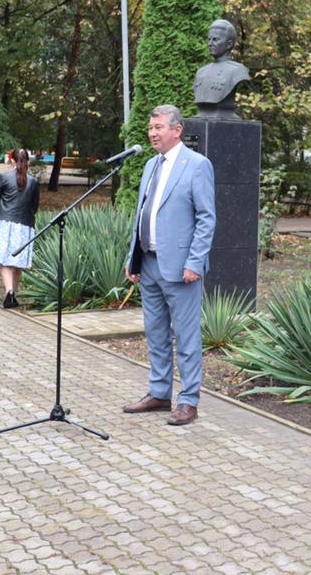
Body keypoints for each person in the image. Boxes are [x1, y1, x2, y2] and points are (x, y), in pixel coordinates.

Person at [123, 104, 216, 426]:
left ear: (177, 130)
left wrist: (195, 261)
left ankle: (188, 400)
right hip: (148, 264)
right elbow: (141, 214)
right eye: (150, 127)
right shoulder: (151, 165)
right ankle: (160, 393)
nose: (152, 133)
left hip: (181, 269)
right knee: (156, 333)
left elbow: (206, 219)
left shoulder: (197, 166)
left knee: (187, 337)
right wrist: (131, 258)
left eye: (159, 127)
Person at [0, 148, 40, 309]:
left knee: (5, 259)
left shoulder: (5, 177)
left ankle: (9, 292)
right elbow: (35, 205)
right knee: (17, 262)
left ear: (12, 161)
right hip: (24, 224)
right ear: (28, 161)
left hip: (4, 222)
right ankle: (13, 292)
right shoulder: (33, 181)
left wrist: (0, 210)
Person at [192, 18, 251, 119]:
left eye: (215, 39)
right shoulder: (201, 72)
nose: (210, 43)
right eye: (209, 39)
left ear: (229, 44)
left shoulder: (237, 70)